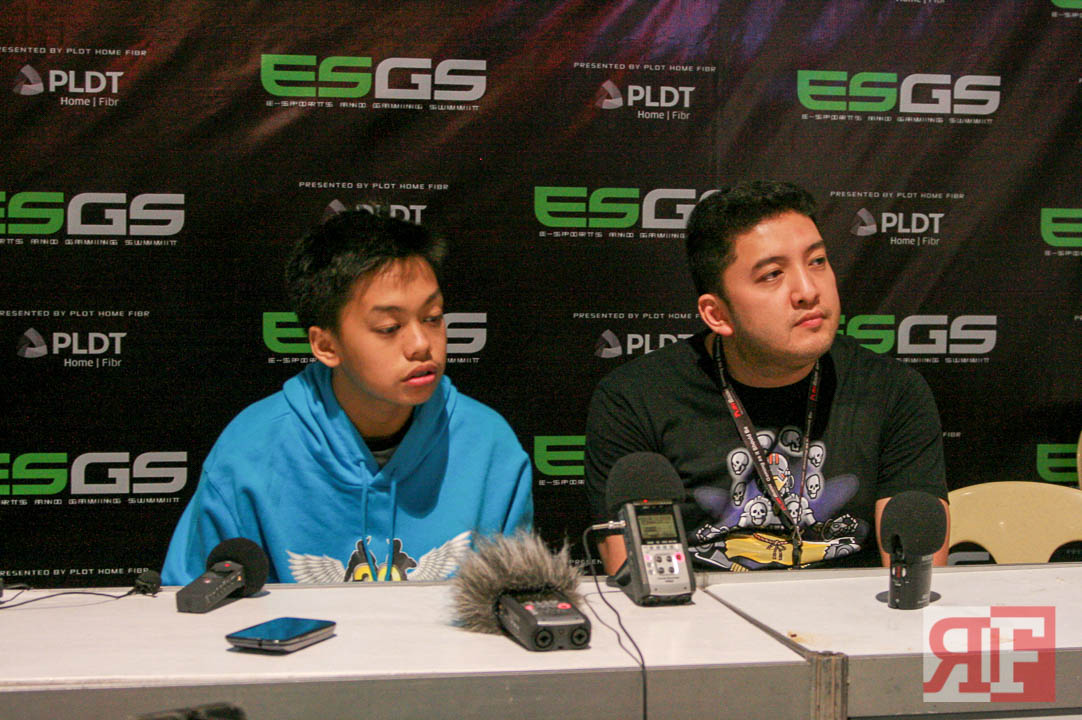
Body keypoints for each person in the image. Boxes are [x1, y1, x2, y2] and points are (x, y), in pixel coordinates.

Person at [586, 180, 949, 574]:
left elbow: (916, 577)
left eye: (817, 261)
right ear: (717, 314)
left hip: (853, 612)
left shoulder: (894, 391)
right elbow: (637, 580)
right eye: (773, 274)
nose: (808, 290)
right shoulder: (634, 399)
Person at [163, 209, 533, 584]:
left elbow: (513, 600)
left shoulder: (490, 444)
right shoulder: (248, 451)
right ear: (326, 345)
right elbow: (195, 598)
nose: (422, 344)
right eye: (390, 327)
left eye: (432, 317)